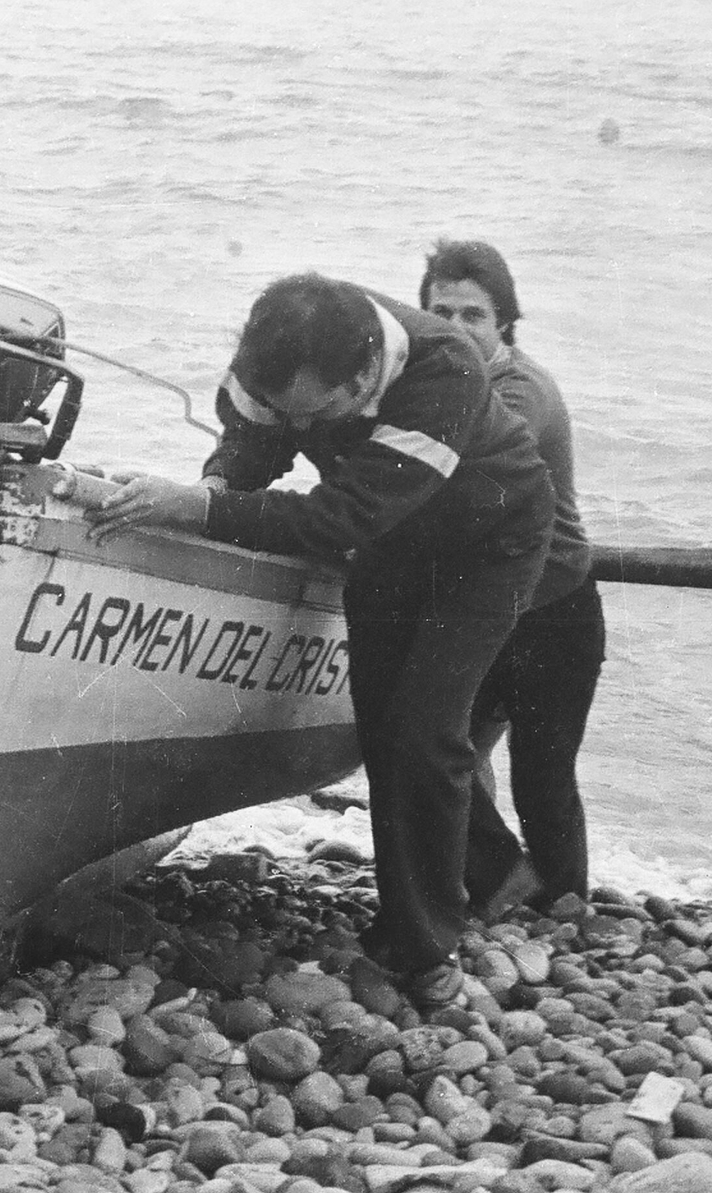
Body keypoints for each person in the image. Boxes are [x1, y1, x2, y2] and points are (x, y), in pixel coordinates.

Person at [81, 273, 553, 1007]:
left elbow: (338, 518)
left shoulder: (443, 369)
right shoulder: (278, 360)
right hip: (392, 537)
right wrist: (207, 490)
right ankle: (496, 871)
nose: (300, 430)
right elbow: (250, 448)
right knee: (382, 726)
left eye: (320, 415)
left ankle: (422, 946)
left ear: (365, 374)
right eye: (284, 411)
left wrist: (204, 509)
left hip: (486, 543)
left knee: (424, 730)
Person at [420, 240, 604, 913]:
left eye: (475, 314)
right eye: (444, 312)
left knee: (544, 778)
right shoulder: (441, 383)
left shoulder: (518, 389)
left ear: (505, 323)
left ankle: (566, 906)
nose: (460, 327)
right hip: (489, 606)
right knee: (436, 746)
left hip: (555, 611)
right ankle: (501, 881)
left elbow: (462, 477)